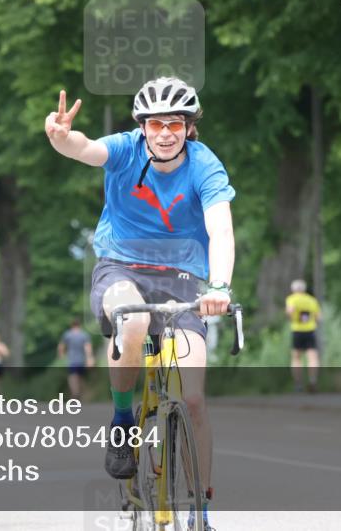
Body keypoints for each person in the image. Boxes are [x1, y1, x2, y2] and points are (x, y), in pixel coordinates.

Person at [45, 77, 235, 531]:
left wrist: (221, 287)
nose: (164, 132)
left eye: (175, 123)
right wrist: (61, 138)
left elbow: (221, 229)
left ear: (189, 128)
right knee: (131, 322)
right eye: (155, 123)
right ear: (143, 127)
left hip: (184, 280)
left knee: (193, 399)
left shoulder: (205, 165)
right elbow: (86, 149)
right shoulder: (127, 149)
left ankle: (201, 511)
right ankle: (123, 419)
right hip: (121, 268)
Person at [285, 279, 321, 393]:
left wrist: (291, 318)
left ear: (293, 289)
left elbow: (289, 311)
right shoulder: (312, 300)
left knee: (296, 358)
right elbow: (319, 317)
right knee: (313, 358)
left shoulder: (291, 299)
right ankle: (313, 381)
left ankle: (298, 384)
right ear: (304, 289)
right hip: (310, 330)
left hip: (297, 330)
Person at [58, 319, 94, 400]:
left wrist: (62, 355)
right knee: (80, 377)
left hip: (72, 360)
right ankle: (82, 394)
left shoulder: (67, 335)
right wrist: (90, 359)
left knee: (72, 376)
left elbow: (61, 346)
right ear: (79, 325)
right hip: (82, 360)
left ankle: (75, 393)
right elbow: (88, 348)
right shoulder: (84, 335)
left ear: (72, 326)